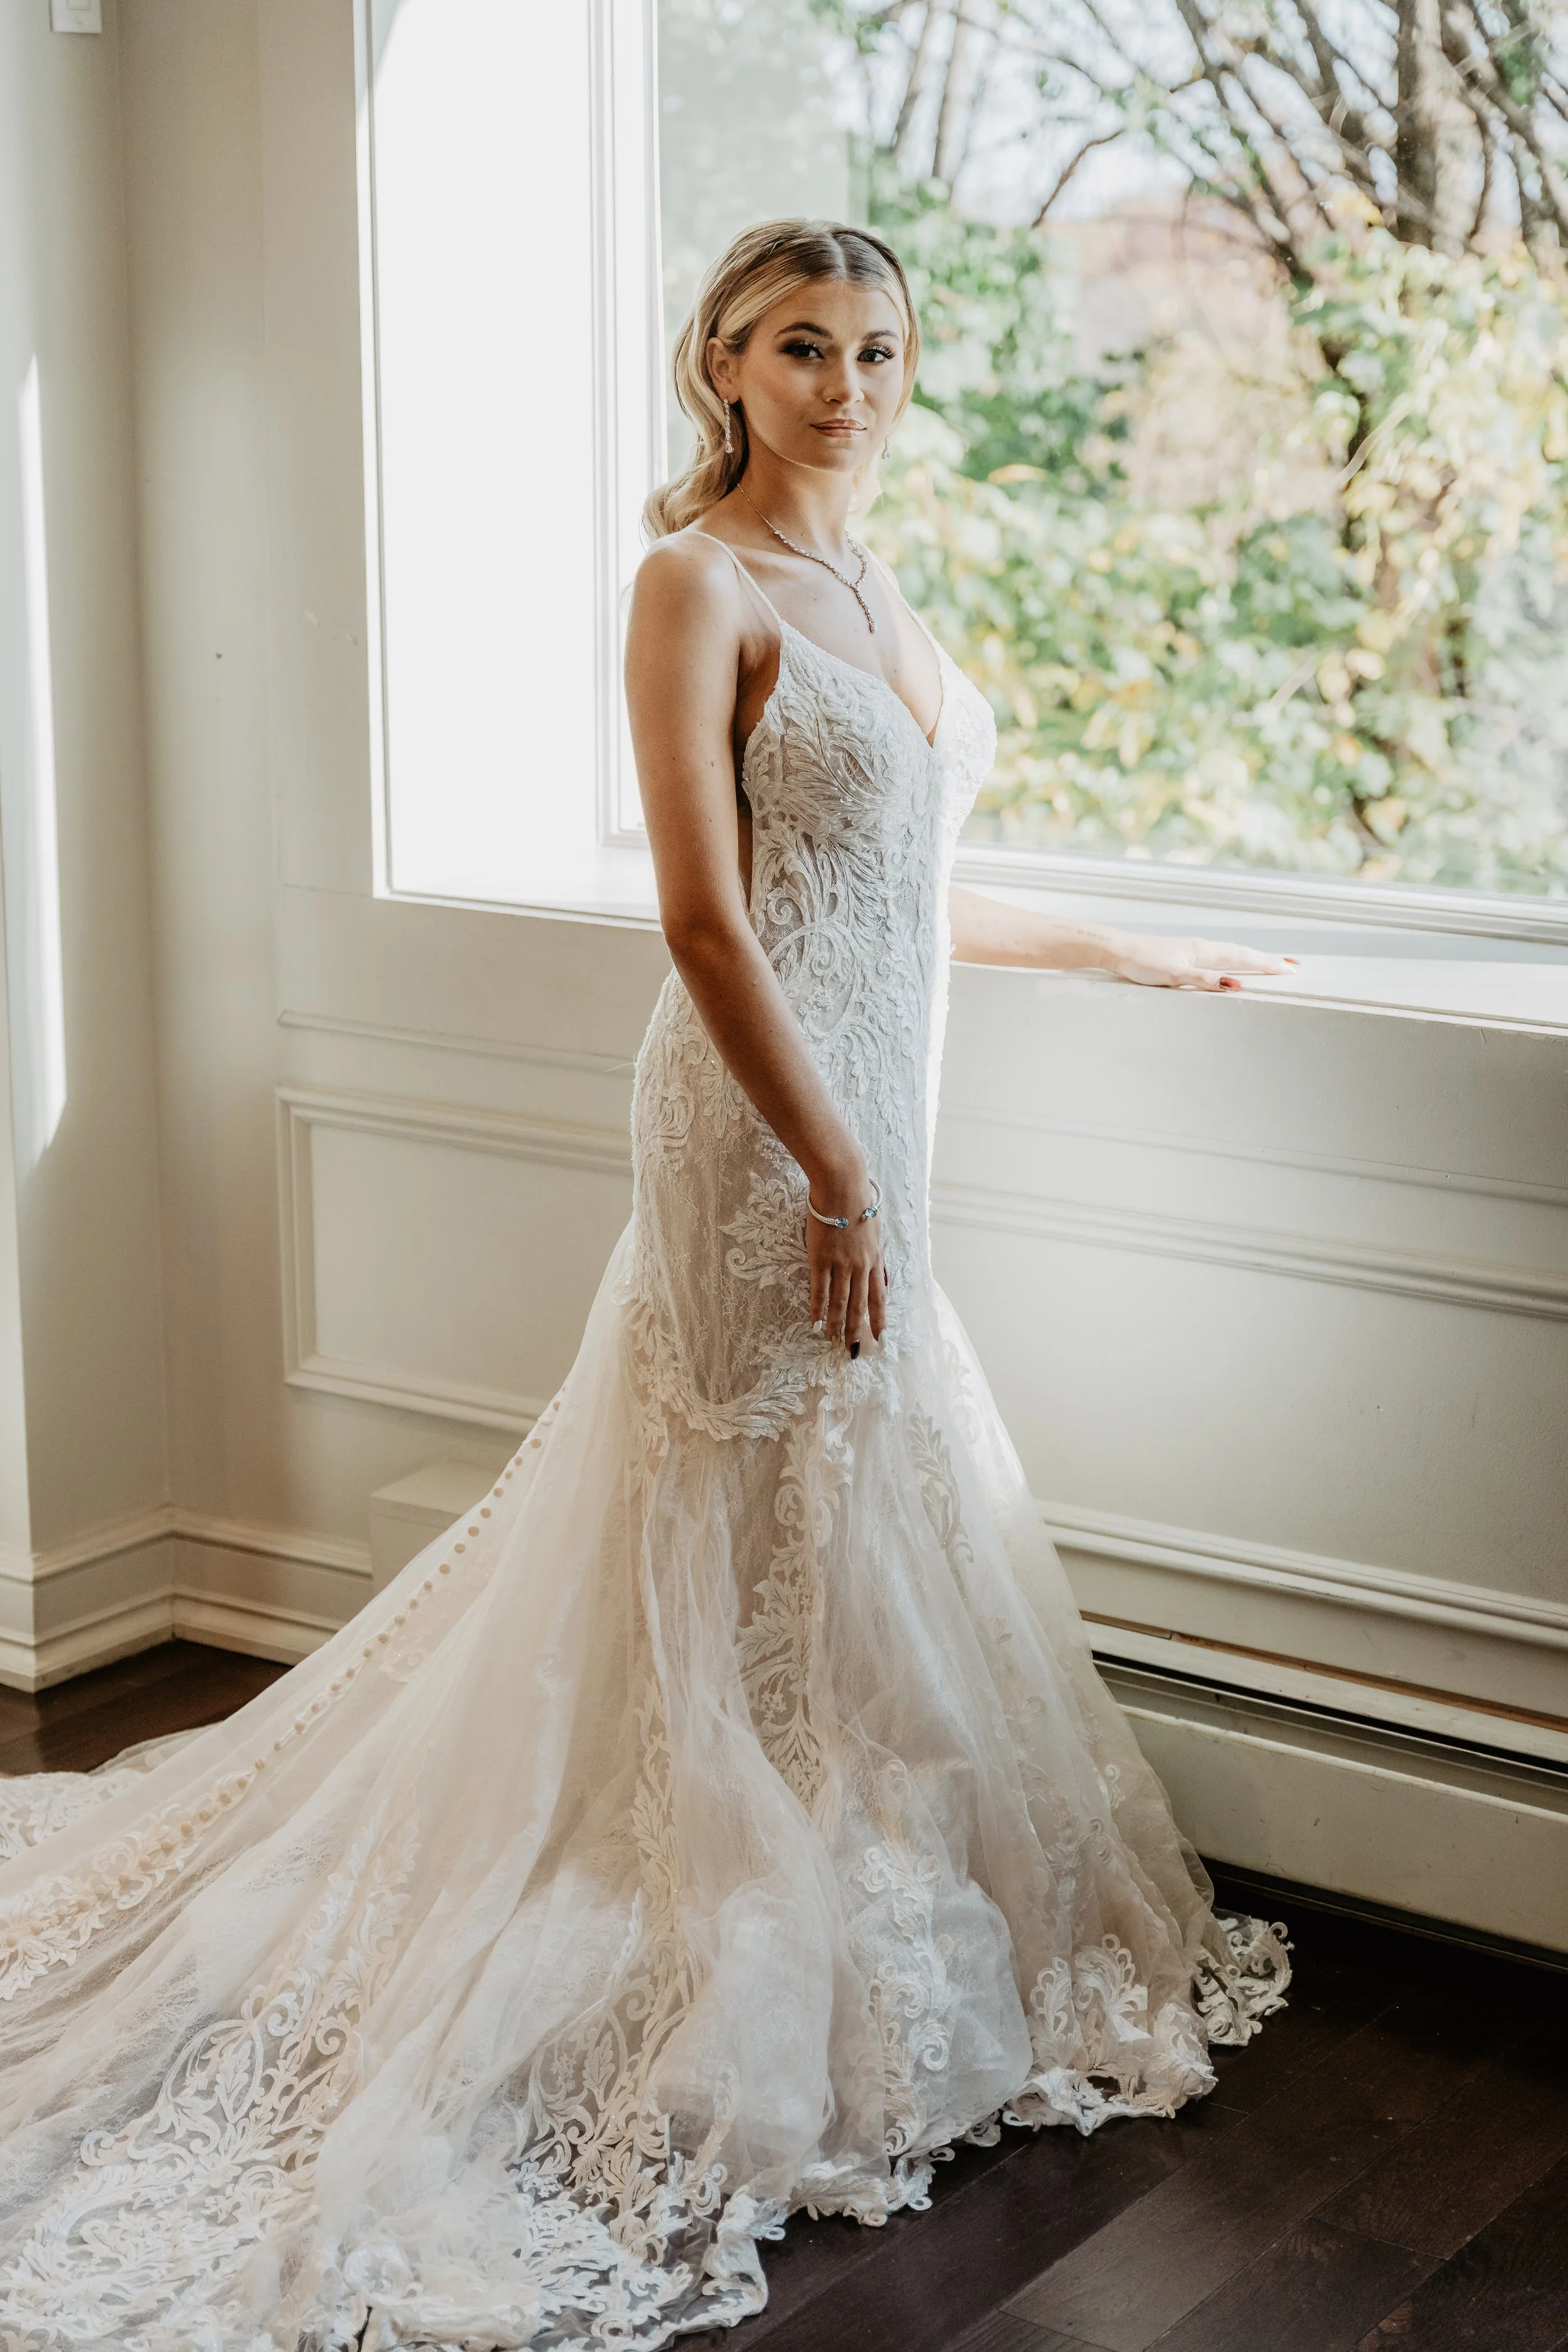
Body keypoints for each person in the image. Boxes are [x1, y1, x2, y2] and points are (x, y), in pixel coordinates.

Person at [0, 220, 1291, 2352]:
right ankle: (697, 1916)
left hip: (878, 1115)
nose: (848, 383)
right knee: (730, 1487)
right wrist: (835, 1164)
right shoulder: (690, 582)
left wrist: (1121, 950)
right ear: (720, 359)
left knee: (848, 1501)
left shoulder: (882, 586)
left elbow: (902, 884)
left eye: (878, 347)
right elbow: (709, 919)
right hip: (762, 1124)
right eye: (803, 345)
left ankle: (839, 1906)